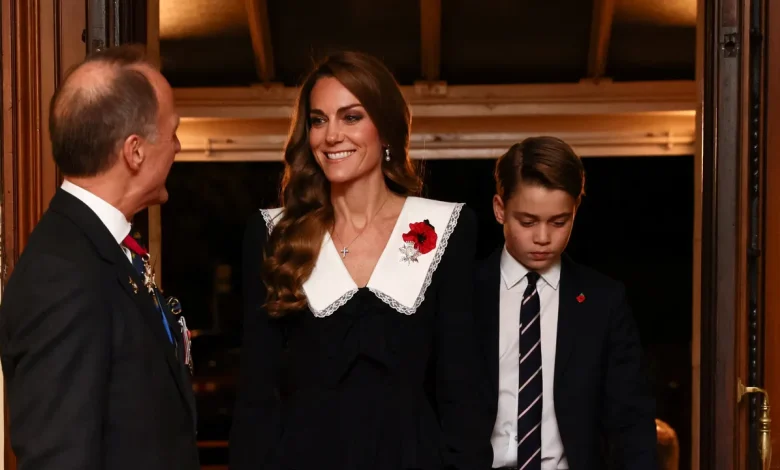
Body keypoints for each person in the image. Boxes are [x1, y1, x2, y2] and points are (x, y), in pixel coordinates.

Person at [229, 51, 494, 470]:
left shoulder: (444, 228)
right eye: (318, 120)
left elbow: (461, 391)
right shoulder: (275, 233)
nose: (331, 135)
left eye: (351, 117)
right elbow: (256, 396)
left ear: (386, 129)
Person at [0, 45, 198, 470]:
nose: (178, 146)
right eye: (172, 131)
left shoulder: (99, 249)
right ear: (135, 151)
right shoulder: (64, 275)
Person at [473, 137, 657, 470]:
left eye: (559, 222)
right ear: (500, 209)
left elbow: (631, 421)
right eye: (527, 222)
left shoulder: (604, 301)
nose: (543, 237)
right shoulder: (463, 293)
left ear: (575, 211)